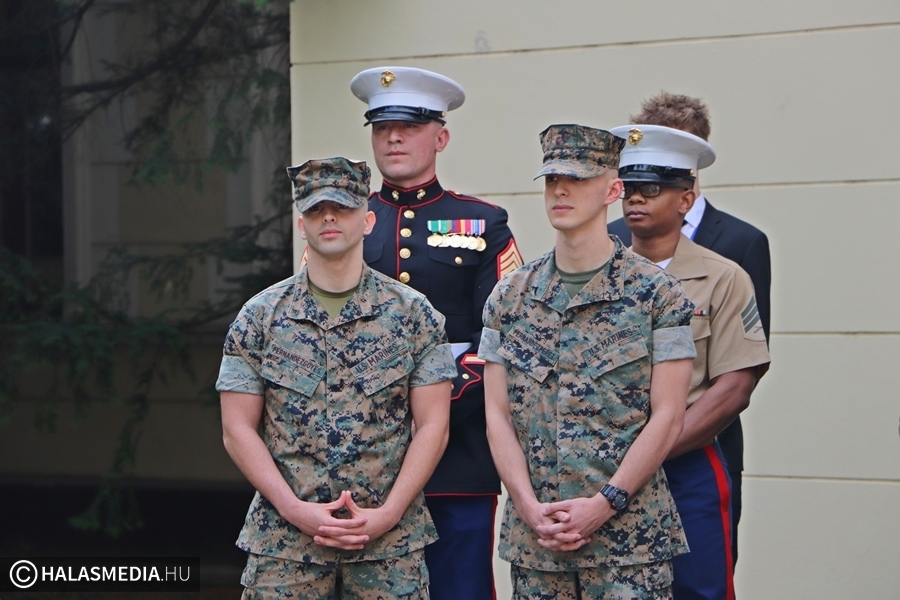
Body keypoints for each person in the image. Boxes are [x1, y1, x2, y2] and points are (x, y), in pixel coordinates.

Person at [216, 156, 456, 599]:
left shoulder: (413, 315)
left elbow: (434, 426)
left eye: (342, 207)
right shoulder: (260, 318)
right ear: (300, 225)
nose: (328, 217)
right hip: (286, 548)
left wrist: (388, 514)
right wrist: (293, 509)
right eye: (315, 209)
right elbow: (237, 429)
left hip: (388, 548)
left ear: (367, 221)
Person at [481, 123, 697, 598]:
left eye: (577, 178)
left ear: (613, 190)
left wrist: (606, 503)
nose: (560, 190)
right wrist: (526, 504)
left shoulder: (657, 295)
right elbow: (497, 414)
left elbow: (668, 414)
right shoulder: (510, 297)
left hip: (628, 544)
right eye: (552, 179)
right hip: (539, 541)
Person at [350, 66, 523, 599]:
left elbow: (504, 339)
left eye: (409, 126)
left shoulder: (483, 222)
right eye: (383, 128)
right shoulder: (345, 221)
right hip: (363, 452)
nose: (394, 138)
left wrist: (434, 408)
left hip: (459, 452)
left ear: (440, 138)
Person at [608, 92, 772, 567]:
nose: (638, 197)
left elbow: (739, 373)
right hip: (604, 463)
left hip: (697, 450)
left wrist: (651, 452)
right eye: (630, 184)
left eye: (653, 185)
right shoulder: (605, 247)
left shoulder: (737, 248)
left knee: (700, 581)